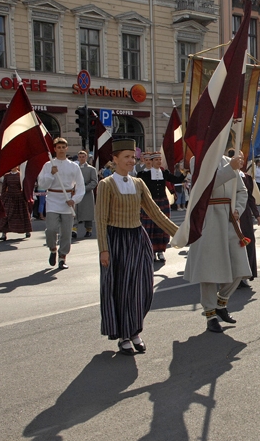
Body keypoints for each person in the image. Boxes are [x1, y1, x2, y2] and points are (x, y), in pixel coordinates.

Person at [96, 139, 179, 355]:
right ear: (115, 160)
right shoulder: (106, 185)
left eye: (133, 157)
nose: (131, 161)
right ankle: (125, 335)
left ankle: (135, 329)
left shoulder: (138, 183)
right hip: (116, 240)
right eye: (126, 157)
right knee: (122, 289)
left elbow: (154, 212)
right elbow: (100, 220)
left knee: (142, 287)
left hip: (138, 238)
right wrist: (104, 249)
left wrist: (179, 233)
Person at [181, 151, 252, 333]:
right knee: (209, 271)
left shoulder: (229, 161)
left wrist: (238, 208)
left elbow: (242, 190)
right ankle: (210, 314)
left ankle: (221, 303)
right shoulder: (198, 160)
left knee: (240, 268)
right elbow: (206, 187)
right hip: (209, 219)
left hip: (229, 219)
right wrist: (231, 168)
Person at [38, 137, 85, 270]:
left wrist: (74, 199)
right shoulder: (48, 165)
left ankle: (62, 257)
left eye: (63, 147)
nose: (61, 150)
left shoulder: (73, 166)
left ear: (67, 148)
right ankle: (53, 248)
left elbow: (80, 186)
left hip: (67, 200)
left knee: (66, 232)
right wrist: (51, 174)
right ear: (55, 149)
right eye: (58, 147)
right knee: (51, 229)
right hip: (53, 199)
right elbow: (42, 184)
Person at [137, 152, 184, 262]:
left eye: (159, 159)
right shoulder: (143, 175)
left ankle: (161, 251)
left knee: (163, 226)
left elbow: (176, 180)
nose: (159, 161)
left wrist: (184, 172)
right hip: (150, 203)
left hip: (163, 202)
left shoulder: (164, 173)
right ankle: (151, 251)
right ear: (152, 162)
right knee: (150, 227)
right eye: (156, 160)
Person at [238, 166, 260, 287]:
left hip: (245, 215)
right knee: (236, 244)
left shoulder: (246, 177)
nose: (241, 161)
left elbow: (250, 198)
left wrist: (257, 214)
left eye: (242, 158)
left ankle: (247, 273)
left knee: (249, 242)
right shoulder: (229, 176)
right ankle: (235, 277)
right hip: (233, 215)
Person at [0, 167, 32, 241]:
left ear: (17, 166)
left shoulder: (20, 175)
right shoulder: (7, 176)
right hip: (9, 197)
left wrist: (26, 197)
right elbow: (4, 188)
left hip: (19, 197)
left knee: (22, 214)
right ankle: (4, 234)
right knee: (5, 215)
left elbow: (25, 187)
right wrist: (2, 198)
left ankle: (27, 231)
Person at [73, 150, 98, 239]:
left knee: (87, 213)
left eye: (83, 157)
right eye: (80, 157)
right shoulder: (75, 168)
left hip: (86, 194)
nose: (81, 158)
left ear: (86, 157)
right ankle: (74, 230)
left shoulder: (91, 169)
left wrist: (84, 189)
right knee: (75, 212)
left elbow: (94, 182)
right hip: (75, 193)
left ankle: (88, 230)